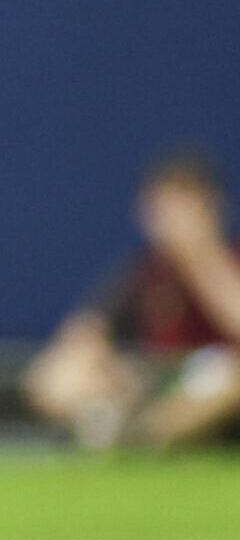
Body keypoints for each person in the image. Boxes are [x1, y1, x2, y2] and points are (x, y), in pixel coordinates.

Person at [22, 151, 240, 449]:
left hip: (215, 381)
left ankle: (144, 436)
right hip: (156, 380)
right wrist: (109, 371)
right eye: (162, 204)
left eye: (185, 201)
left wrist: (199, 256)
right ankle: (119, 429)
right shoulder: (144, 273)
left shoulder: (230, 261)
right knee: (58, 377)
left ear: (211, 205)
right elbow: (84, 335)